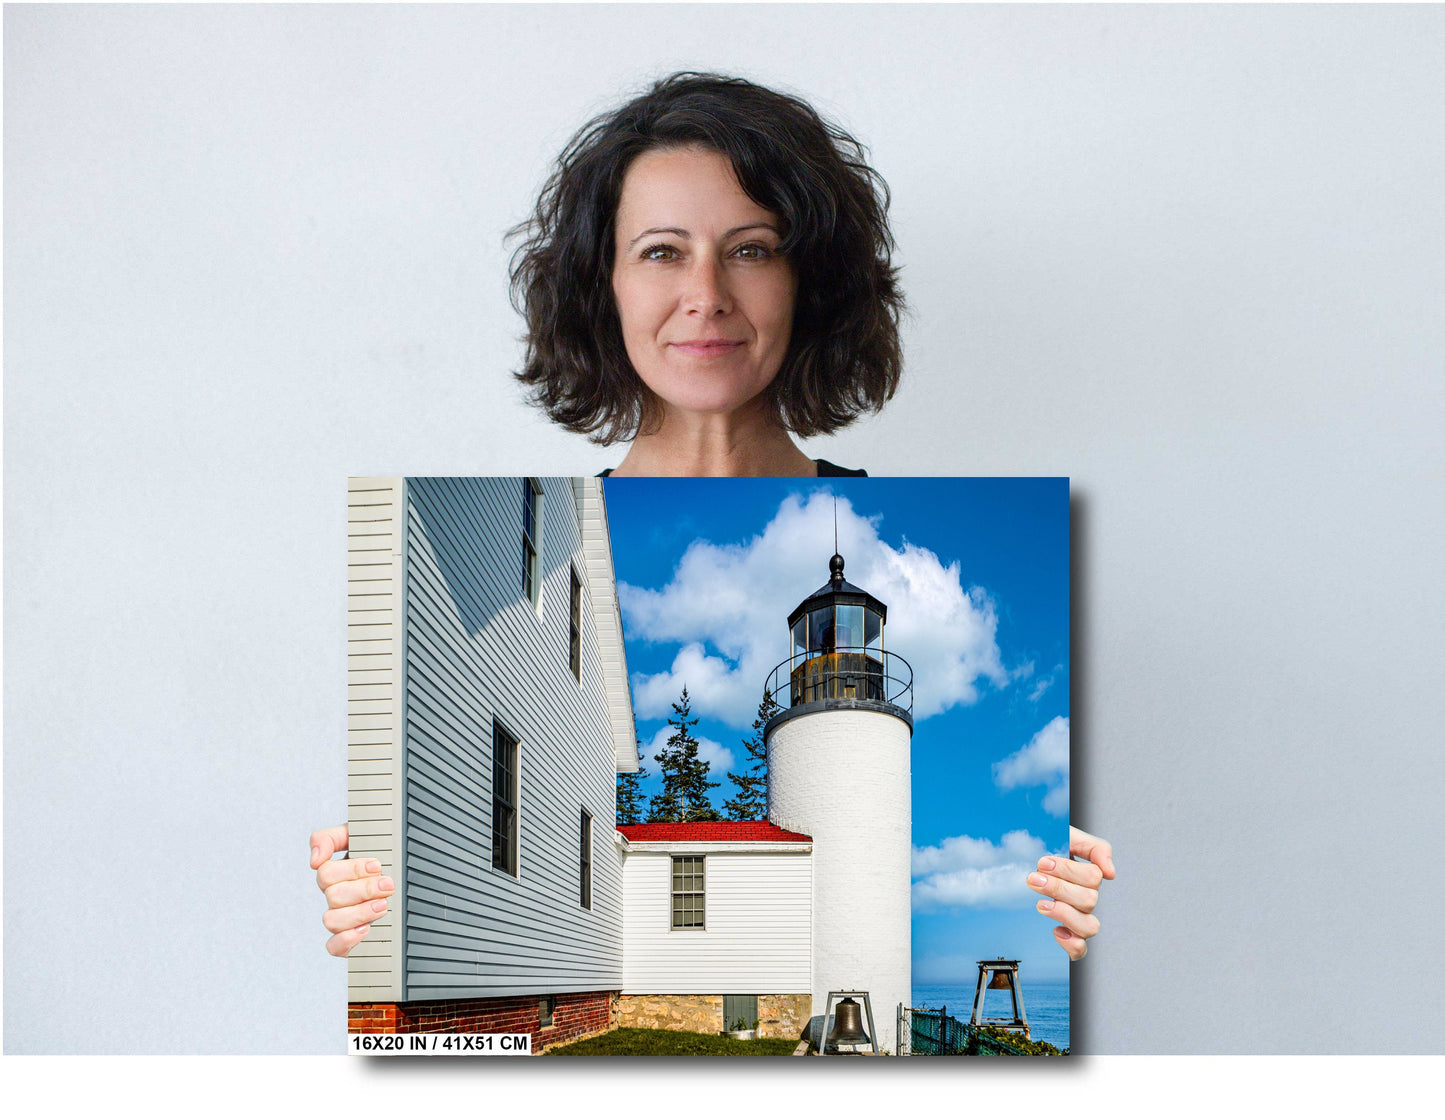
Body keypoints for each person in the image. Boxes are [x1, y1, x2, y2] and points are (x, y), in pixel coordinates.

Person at [311, 72, 1114, 960]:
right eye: (661, 251)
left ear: (810, 282)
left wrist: (1077, 913)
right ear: (601, 284)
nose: (707, 293)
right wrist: (368, 899)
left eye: (752, 248)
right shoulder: (558, 536)